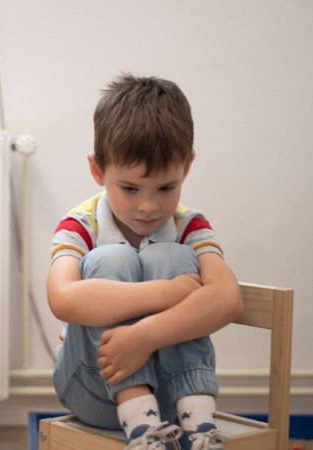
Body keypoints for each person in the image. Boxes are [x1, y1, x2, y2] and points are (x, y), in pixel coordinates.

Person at [47, 74, 243, 450]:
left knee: (173, 255)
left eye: (166, 188)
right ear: (98, 171)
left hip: (173, 395)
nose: (149, 206)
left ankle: (200, 426)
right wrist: (166, 293)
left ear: (186, 167)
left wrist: (143, 337)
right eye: (131, 188)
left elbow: (228, 299)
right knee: (112, 259)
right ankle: (140, 426)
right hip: (94, 385)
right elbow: (62, 298)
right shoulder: (81, 223)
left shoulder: (189, 225)